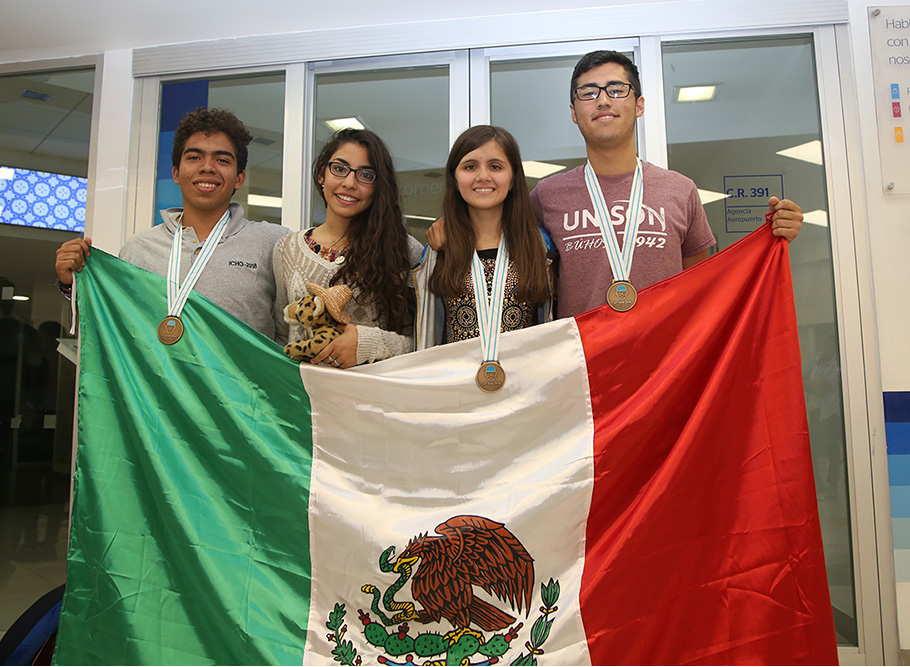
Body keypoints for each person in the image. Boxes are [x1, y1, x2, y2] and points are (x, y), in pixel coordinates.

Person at [428, 50, 803, 318]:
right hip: (584, 368)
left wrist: (770, 238)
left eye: (616, 89)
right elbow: (502, 234)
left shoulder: (680, 189)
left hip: (664, 363)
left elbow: (700, 280)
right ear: (575, 113)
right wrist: (451, 228)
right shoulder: (546, 196)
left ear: (639, 104)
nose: (603, 100)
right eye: (589, 92)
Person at [54, 107, 289, 339]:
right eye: (194, 157)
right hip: (157, 378)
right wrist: (70, 283)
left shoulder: (274, 244)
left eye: (222, 159)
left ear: (239, 178)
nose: (207, 167)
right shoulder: (139, 248)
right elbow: (111, 327)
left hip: (242, 378)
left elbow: (292, 331)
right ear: (176, 173)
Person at [272, 129, 422, 368]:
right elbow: (281, 335)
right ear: (322, 174)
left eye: (366, 175)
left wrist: (368, 343)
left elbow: (426, 340)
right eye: (339, 169)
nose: (349, 183)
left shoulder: (403, 249)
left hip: (375, 398)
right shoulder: (286, 249)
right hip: (304, 397)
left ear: (378, 186)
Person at [414, 125, 553, 349]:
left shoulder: (540, 245)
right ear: (455, 179)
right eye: (470, 167)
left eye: (495, 166)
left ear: (513, 177)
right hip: (455, 380)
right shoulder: (439, 247)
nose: (483, 176)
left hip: (524, 379)